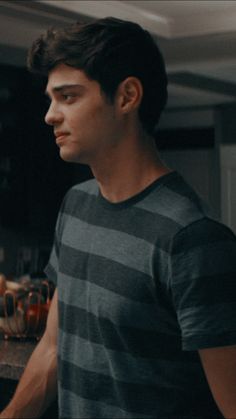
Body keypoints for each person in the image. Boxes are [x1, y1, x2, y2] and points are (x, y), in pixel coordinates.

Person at [1, 16, 236, 419]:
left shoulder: (193, 239)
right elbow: (54, 349)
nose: (50, 115)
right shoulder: (76, 206)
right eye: (50, 99)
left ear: (127, 96)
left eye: (69, 97)